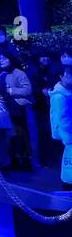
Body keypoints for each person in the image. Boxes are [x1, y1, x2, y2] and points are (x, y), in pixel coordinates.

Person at [0, 51, 35, 171]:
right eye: (0, 58)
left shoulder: (19, 73)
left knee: (21, 135)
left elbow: (28, 89)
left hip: (17, 108)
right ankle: (13, 159)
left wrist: (12, 91)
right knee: (9, 136)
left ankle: (25, 160)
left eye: (4, 58)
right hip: (4, 109)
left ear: (10, 59)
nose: (1, 60)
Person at [49, 61, 72, 190]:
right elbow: (63, 120)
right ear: (61, 76)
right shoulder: (59, 96)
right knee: (69, 168)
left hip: (68, 136)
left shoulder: (67, 93)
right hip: (68, 137)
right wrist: (69, 139)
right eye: (69, 76)